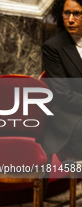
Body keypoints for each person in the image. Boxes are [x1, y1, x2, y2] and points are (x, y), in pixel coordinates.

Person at [41, 0, 82, 158]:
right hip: (69, 118)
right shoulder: (53, 47)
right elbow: (64, 96)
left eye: (77, 14)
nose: (71, 19)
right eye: (67, 13)